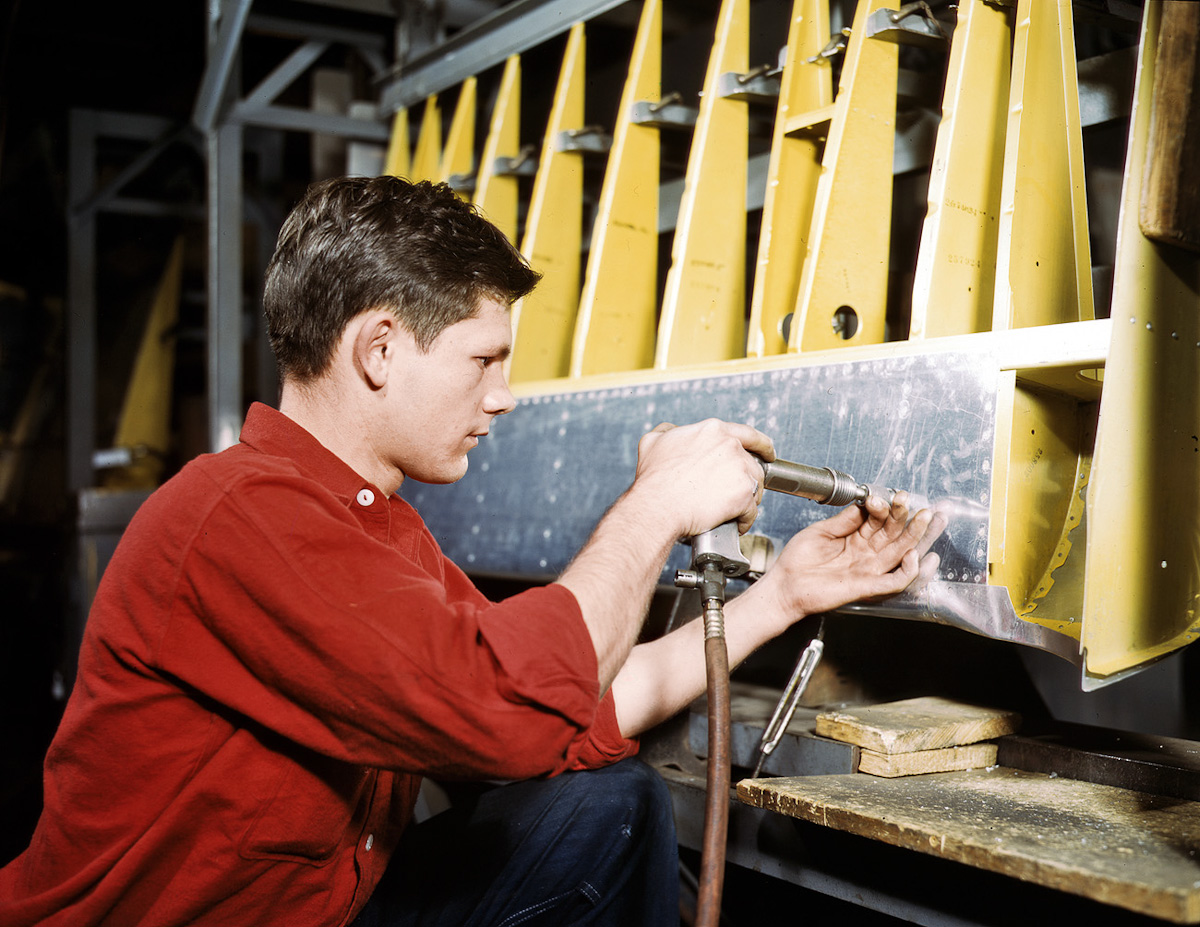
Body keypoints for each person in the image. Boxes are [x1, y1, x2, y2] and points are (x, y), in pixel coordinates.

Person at [0, 176, 941, 927]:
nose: (503, 396)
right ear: (378, 350)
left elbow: (561, 706)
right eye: (483, 359)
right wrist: (654, 507)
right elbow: (505, 712)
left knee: (609, 804)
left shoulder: (374, 528)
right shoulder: (237, 516)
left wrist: (781, 594)